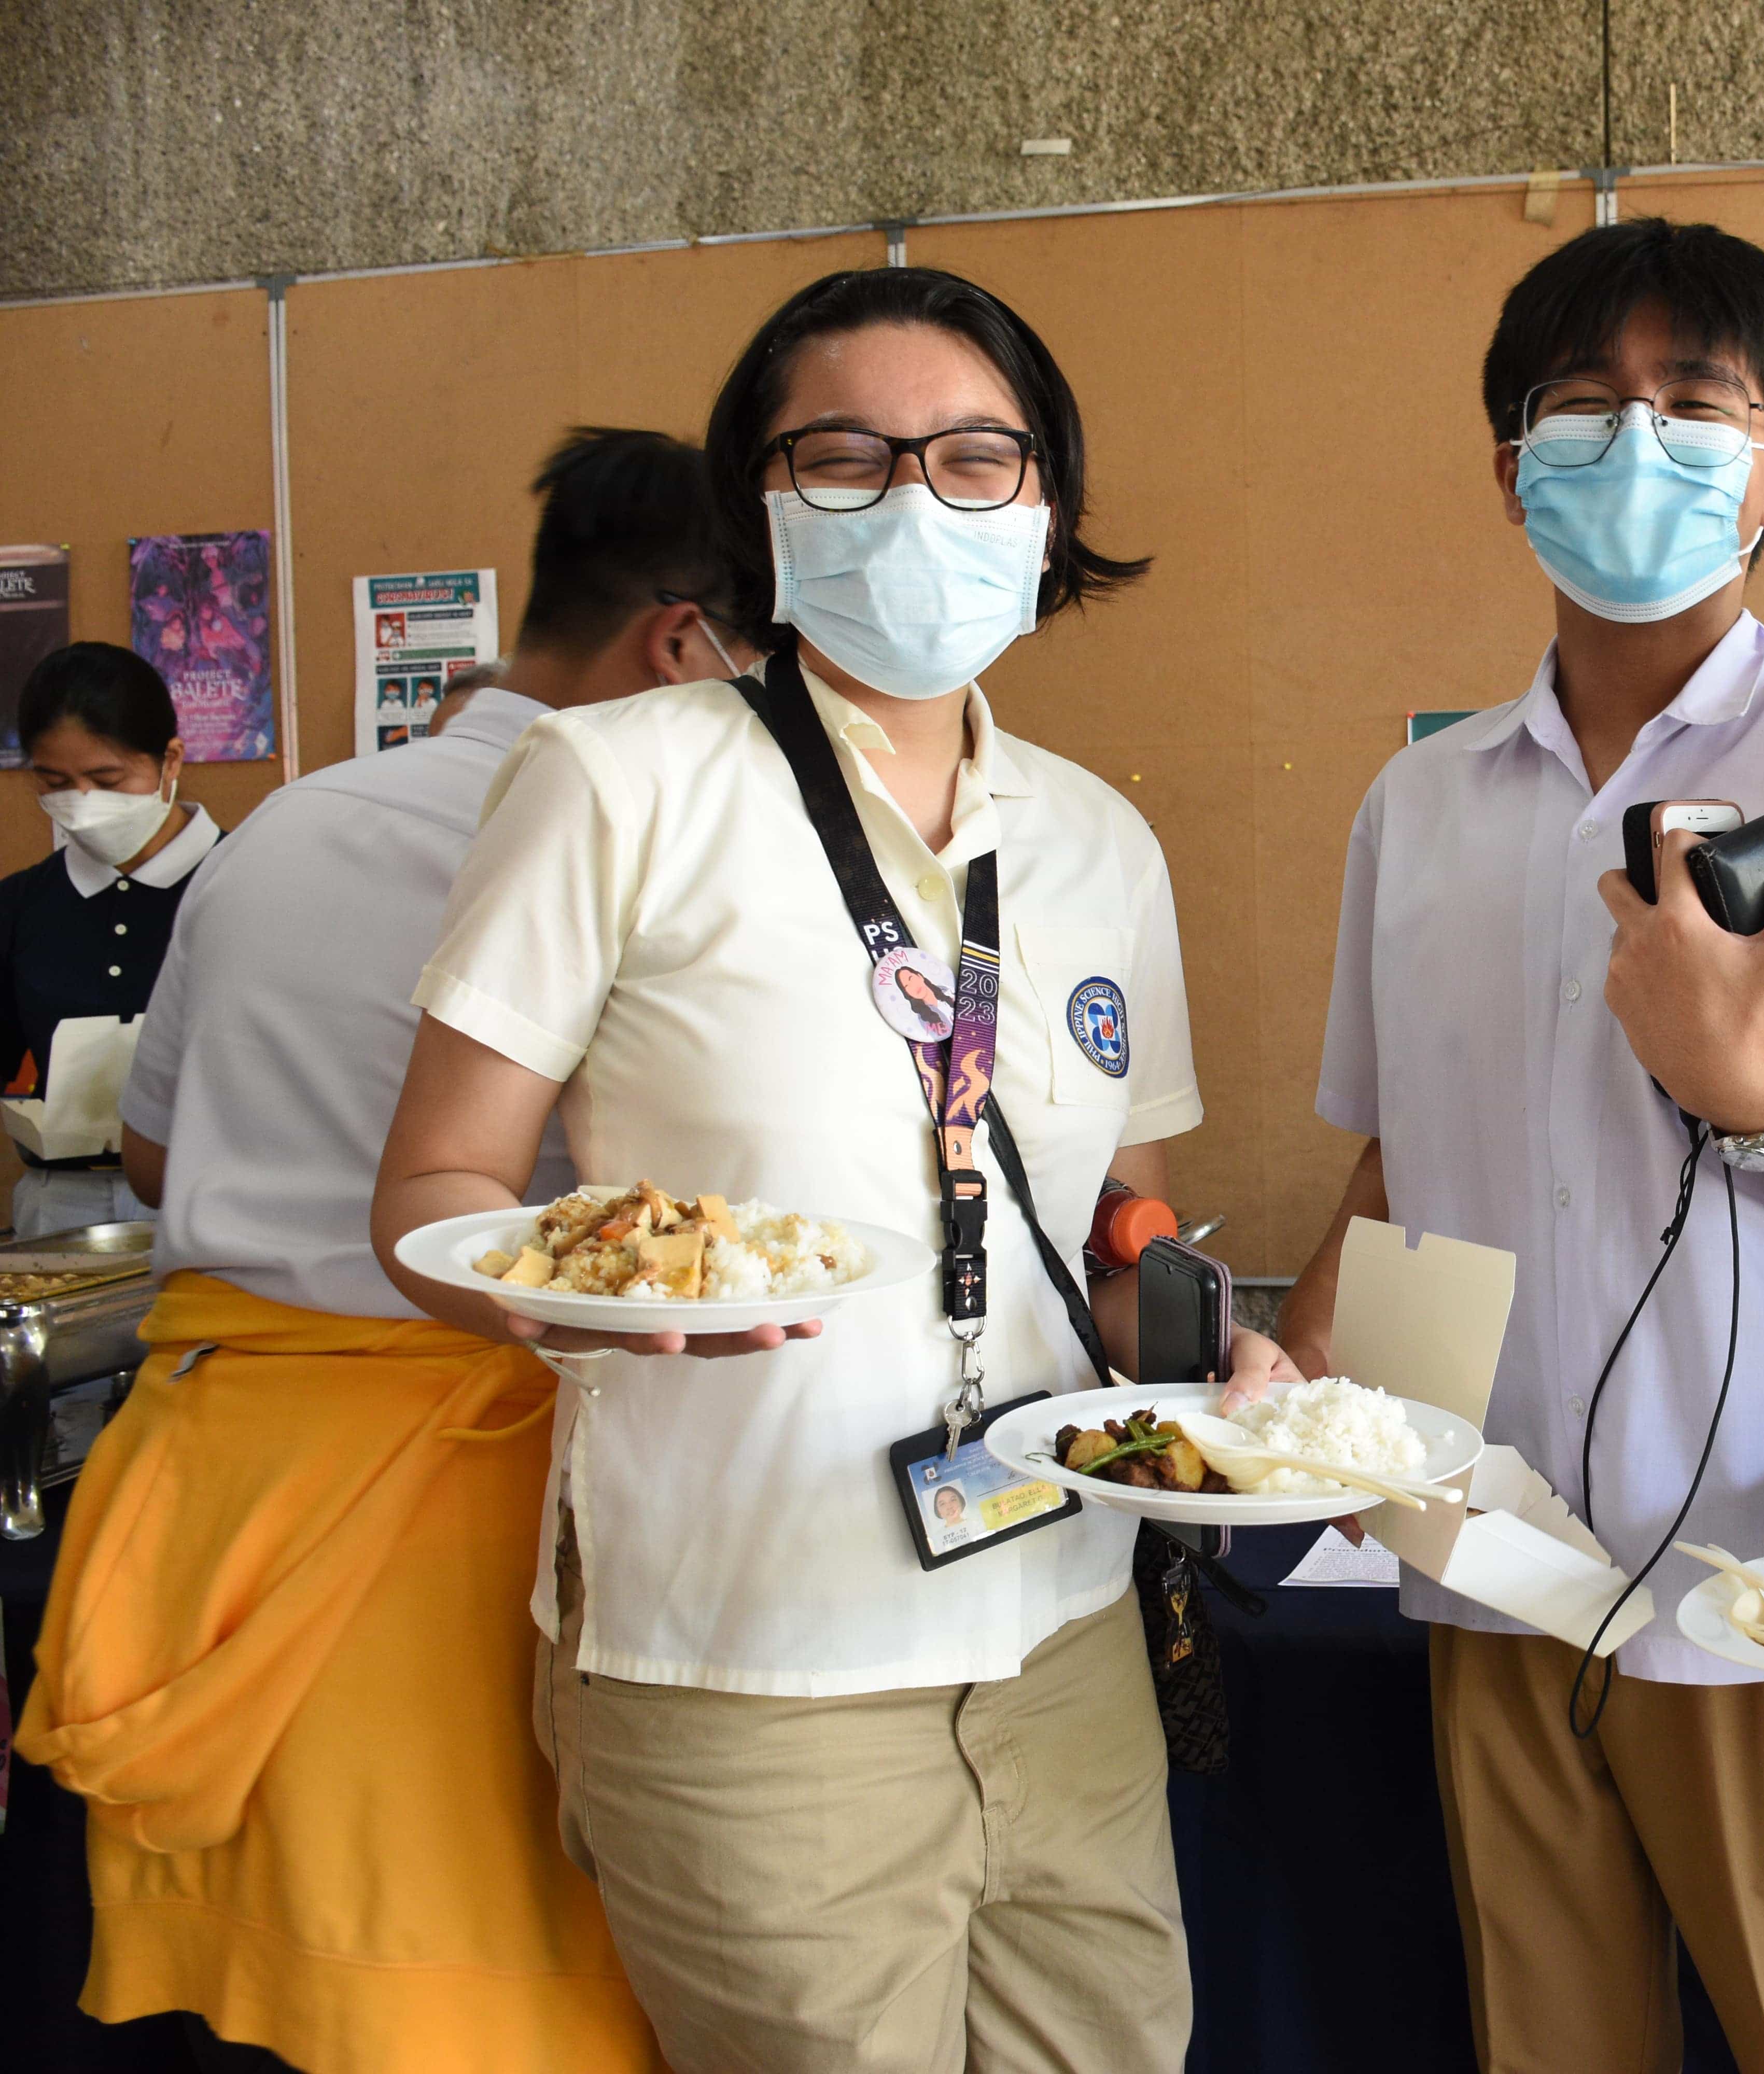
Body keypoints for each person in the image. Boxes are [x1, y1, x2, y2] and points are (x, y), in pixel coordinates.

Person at [369, 266, 1294, 2074]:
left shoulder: (1101, 842)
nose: (912, 500)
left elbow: (1124, 1221)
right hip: (751, 1666)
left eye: (969, 458)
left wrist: (1208, 1362)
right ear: (760, 503)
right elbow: (429, 1193)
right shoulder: (613, 782)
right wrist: (586, 1307)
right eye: (846, 458)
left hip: (1064, 1640)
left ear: (1045, 509)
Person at [1271, 218, 1764, 2074]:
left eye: (1689, 405)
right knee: (1549, 2034)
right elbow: (1402, 1171)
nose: (1632, 441)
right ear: (1511, 466)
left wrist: (1753, 1102)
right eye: (1582, 406)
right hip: (1488, 1549)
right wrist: (1284, 1389)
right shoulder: (1420, 805)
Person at [15, 429, 740, 2074]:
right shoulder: (657, 834)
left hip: (206, 1483)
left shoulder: (280, 829)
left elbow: (149, 1144)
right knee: (471, 1997)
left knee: (263, 2000)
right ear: (681, 640)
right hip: (456, 1506)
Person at [0, 641, 219, 1237]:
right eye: (55, 781)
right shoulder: (21, 904)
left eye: (106, 778)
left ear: (170, 760)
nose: (83, 803)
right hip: (61, 1204)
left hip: (212, 1193)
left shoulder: (242, 883)